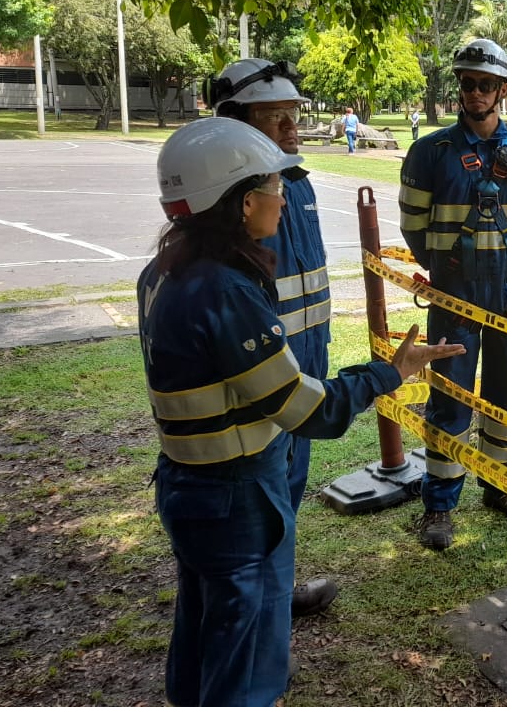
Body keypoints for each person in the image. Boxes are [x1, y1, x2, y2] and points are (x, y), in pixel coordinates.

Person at [139, 117, 463, 707]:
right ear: (239, 203)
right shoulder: (226, 291)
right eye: (271, 184)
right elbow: (306, 410)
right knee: (247, 658)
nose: (283, 195)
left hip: (187, 485)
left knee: (203, 635)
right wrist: (391, 371)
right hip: (234, 498)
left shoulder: (165, 271)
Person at [398, 39, 507, 550]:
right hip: (455, 298)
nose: (476, 92)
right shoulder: (431, 153)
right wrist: (446, 270)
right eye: (468, 83)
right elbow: (413, 229)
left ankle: (499, 488)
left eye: (486, 84)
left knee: (506, 400)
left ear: (504, 89)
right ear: (459, 87)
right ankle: (439, 506)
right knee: (450, 400)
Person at [206, 57, 340, 619]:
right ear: (237, 125)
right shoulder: (229, 203)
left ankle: (276, 594)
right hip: (261, 371)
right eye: (275, 117)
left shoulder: (296, 185)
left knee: (290, 484)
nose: (291, 128)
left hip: (306, 361)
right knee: (258, 495)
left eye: (292, 115)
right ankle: (254, 603)